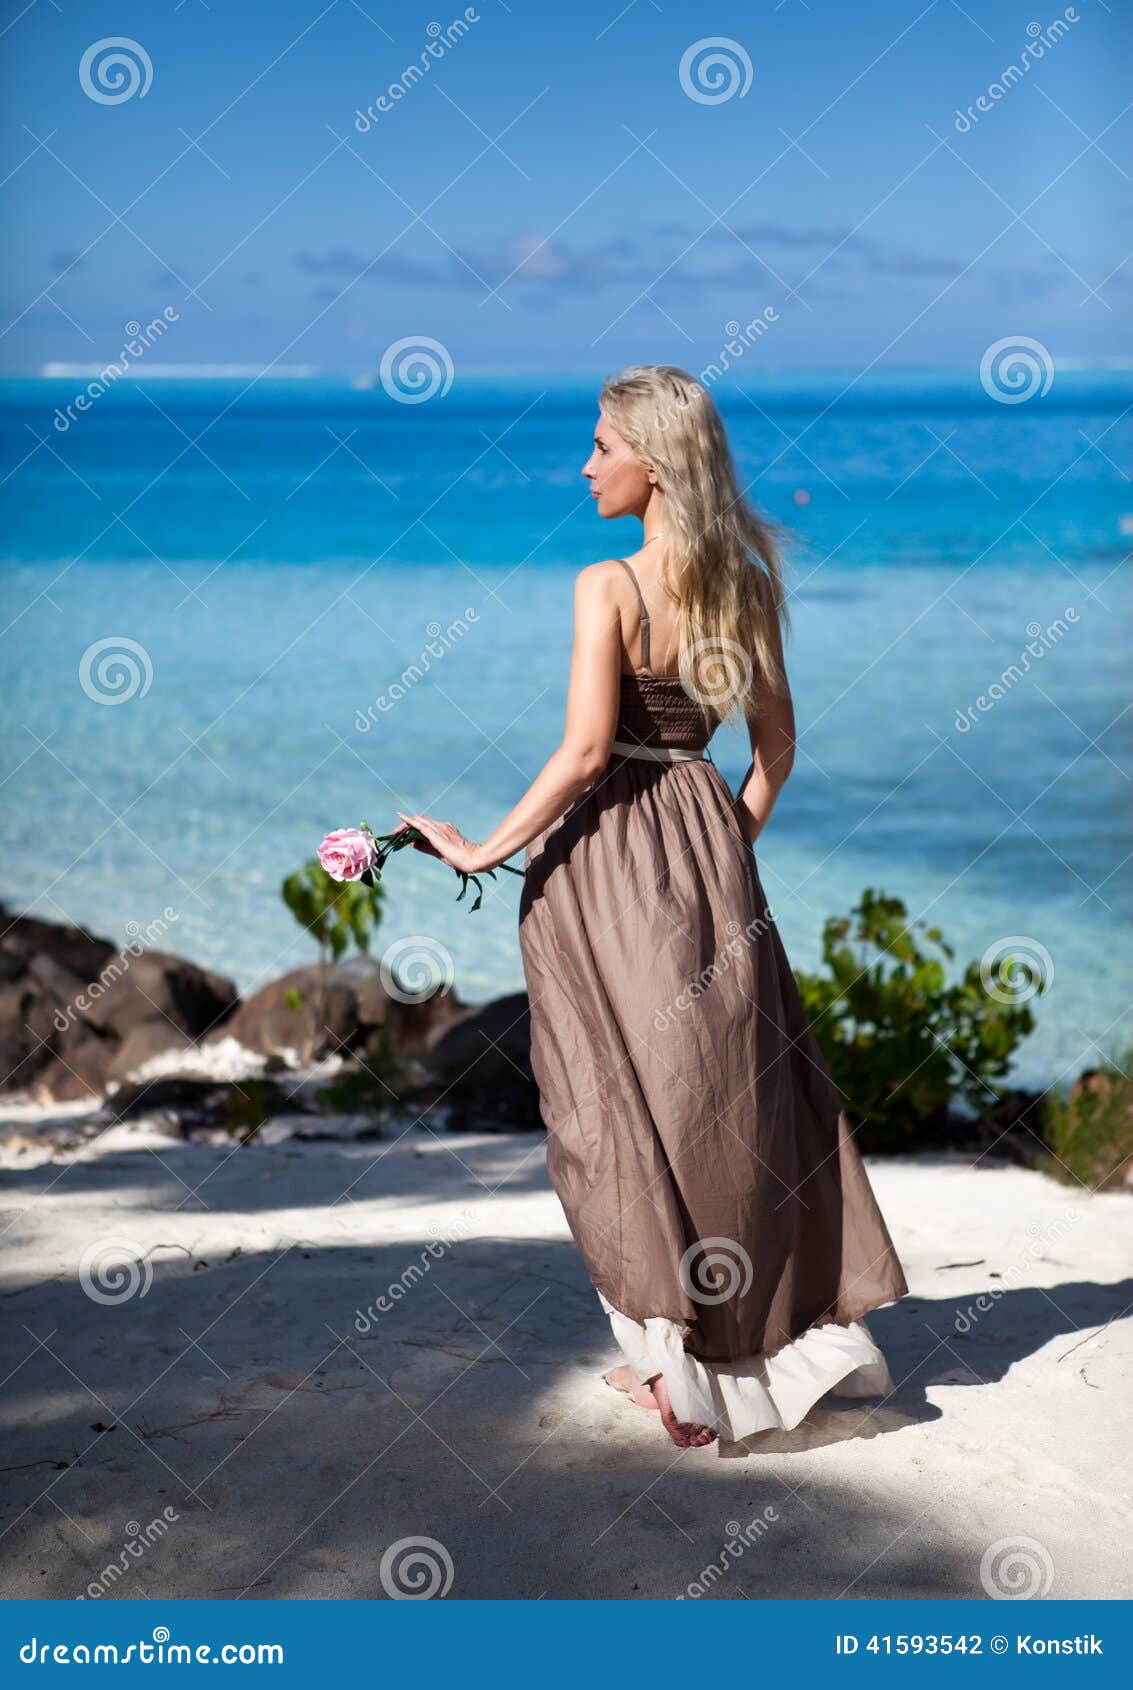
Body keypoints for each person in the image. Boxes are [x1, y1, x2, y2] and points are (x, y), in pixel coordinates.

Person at [398, 364, 908, 1450]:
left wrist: (478, 847)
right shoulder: (748, 582)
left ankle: (677, 1366)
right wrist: (723, 850)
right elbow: (772, 752)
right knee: (724, 1104)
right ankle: (720, 1360)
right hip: (709, 848)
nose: (582, 465)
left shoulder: (609, 586)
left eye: (598, 445)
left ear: (652, 459)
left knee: (611, 1113)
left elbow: (585, 754)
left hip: (602, 865)